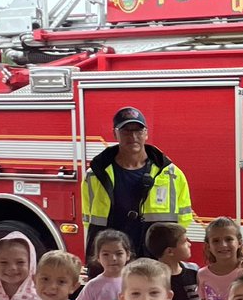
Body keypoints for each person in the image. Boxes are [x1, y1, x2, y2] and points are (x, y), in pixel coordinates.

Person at [81, 106, 193, 261]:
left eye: (138, 131)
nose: (133, 136)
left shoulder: (172, 174)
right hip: (114, 260)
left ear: (146, 133)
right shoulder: (95, 175)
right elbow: (89, 221)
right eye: (126, 131)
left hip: (155, 260)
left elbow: (183, 221)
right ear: (115, 133)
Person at [145, 223, 204, 300]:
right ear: (170, 251)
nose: (189, 244)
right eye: (184, 241)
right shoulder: (153, 280)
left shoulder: (194, 270)